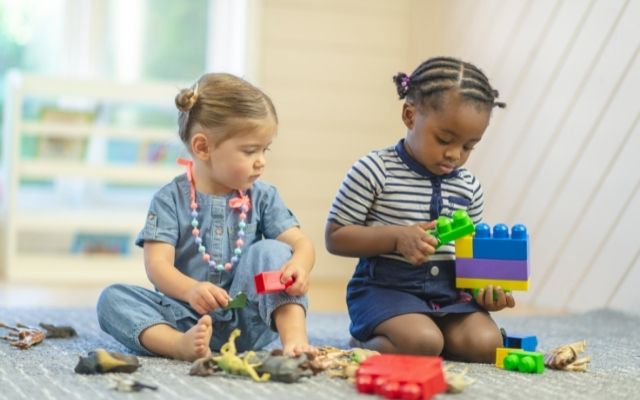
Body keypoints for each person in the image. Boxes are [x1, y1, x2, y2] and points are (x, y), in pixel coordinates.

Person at [97, 73, 315, 361]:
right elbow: (157, 265)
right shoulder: (170, 200)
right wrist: (190, 290)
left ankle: (295, 340)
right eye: (250, 151)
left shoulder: (263, 197)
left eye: (265, 149)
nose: (261, 160)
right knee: (112, 300)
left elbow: (301, 244)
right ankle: (178, 344)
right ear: (202, 148)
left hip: (251, 317)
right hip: (185, 316)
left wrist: (299, 265)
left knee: (272, 250)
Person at [325, 57, 514, 363]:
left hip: (450, 294)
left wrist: (486, 290)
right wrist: (396, 238)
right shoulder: (374, 170)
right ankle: (367, 338)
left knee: (487, 344)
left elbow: (472, 258)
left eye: (469, 146)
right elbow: (335, 237)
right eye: (444, 139)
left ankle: (431, 336)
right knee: (422, 343)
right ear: (410, 115)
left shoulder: (470, 188)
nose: (455, 154)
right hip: (385, 289)